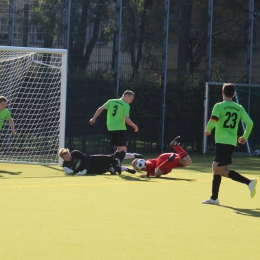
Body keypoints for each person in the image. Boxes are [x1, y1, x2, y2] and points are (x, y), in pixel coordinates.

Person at [202, 83, 256, 205]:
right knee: (215, 166)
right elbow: (250, 123)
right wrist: (245, 137)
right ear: (234, 94)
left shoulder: (219, 106)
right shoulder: (239, 108)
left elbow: (213, 120)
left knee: (222, 170)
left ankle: (249, 182)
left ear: (222, 93)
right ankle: (214, 198)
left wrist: (208, 130)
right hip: (231, 142)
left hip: (222, 142)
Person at [89, 90, 138, 164]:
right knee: (123, 151)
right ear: (126, 96)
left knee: (119, 149)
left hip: (111, 129)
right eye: (130, 99)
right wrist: (134, 126)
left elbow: (100, 109)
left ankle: (112, 164)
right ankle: (115, 164)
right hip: (120, 129)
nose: (131, 102)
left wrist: (93, 119)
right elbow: (127, 120)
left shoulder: (111, 101)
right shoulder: (125, 105)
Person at [58, 148, 136, 175]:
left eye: (68, 155)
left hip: (93, 159)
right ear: (63, 158)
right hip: (92, 170)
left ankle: (133, 155)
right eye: (66, 157)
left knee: (112, 158)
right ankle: (126, 169)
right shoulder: (66, 165)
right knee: (110, 168)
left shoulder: (75, 153)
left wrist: (84, 169)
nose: (69, 157)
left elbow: (86, 159)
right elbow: (72, 172)